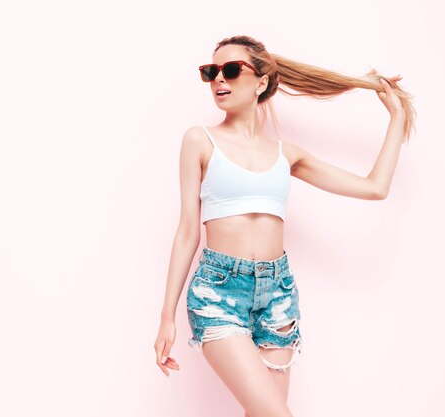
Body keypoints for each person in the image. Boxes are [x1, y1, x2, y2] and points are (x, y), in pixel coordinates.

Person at [154, 35, 415, 417]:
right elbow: (188, 232)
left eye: (230, 70)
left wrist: (397, 118)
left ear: (261, 82)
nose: (218, 80)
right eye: (210, 72)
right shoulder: (200, 140)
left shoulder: (286, 154)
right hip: (219, 292)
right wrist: (166, 316)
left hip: (278, 295)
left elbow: (374, 187)